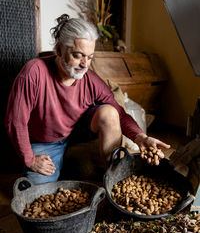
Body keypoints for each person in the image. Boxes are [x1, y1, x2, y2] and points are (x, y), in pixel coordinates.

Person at [5, 14, 170, 184]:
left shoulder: (90, 79)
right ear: (59, 50)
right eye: (78, 55)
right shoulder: (34, 72)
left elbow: (120, 114)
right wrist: (30, 159)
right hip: (45, 142)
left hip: (77, 131)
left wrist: (141, 137)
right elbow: (15, 121)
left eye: (90, 57)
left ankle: (115, 178)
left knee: (110, 112)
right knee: (37, 191)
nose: (85, 64)